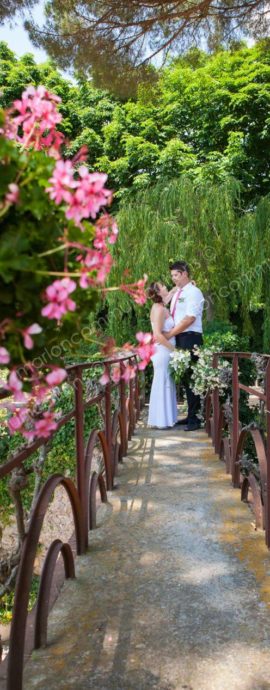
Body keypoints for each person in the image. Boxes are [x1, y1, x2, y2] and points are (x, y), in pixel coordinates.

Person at [165, 261, 204, 431]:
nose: (173, 279)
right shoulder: (179, 292)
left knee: (192, 379)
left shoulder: (194, 292)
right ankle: (190, 416)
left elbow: (190, 318)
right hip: (180, 337)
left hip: (190, 338)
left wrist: (170, 334)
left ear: (185, 273)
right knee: (186, 379)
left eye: (176, 275)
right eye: (172, 276)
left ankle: (195, 420)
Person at [147, 282, 178, 429]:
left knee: (165, 382)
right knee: (163, 382)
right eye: (163, 286)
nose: (166, 287)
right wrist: (175, 349)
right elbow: (158, 335)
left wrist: (180, 286)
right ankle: (161, 420)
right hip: (163, 350)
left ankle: (164, 418)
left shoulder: (161, 305)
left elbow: (170, 294)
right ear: (159, 293)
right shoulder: (159, 309)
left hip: (165, 350)